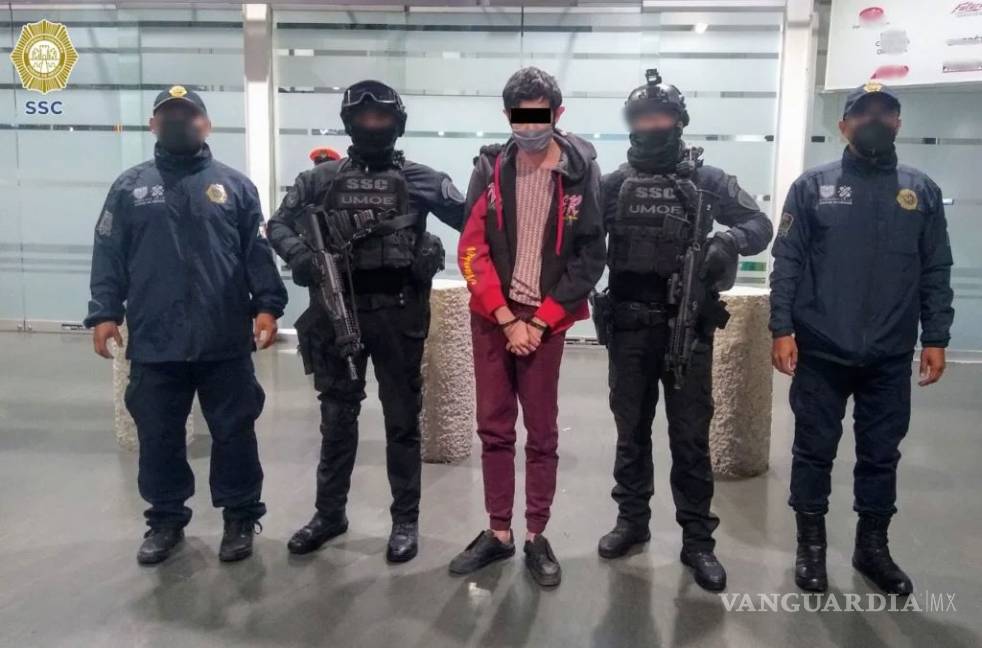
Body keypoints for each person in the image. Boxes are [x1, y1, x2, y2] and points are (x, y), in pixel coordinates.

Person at [85, 85, 288, 565]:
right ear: (153, 125)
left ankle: (240, 517)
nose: (180, 122)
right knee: (158, 435)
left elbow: (256, 253)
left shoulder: (235, 187)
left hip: (223, 339)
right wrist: (105, 311)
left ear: (207, 125)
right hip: (156, 340)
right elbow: (108, 253)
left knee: (234, 432)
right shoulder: (130, 188)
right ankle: (165, 520)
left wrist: (268, 305)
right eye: (169, 115)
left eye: (189, 114)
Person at [267, 80, 466, 563]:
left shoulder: (422, 179)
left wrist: (495, 180)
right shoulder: (320, 180)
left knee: (402, 421)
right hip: (338, 315)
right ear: (349, 122)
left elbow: (474, 220)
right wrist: (301, 256)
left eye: (381, 117)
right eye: (364, 117)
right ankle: (329, 514)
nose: (372, 125)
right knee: (337, 418)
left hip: (399, 313)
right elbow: (277, 224)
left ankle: (405, 522)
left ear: (397, 123)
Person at [770, 81, 954, 595]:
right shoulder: (813, 187)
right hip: (821, 350)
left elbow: (935, 268)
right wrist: (781, 327)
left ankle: (872, 548)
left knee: (880, 455)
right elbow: (787, 262)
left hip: (889, 355)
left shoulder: (921, 191)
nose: (874, 121)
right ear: (843, 125)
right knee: (813, 452)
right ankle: (811, 548)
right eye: (862, 113)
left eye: (884, 113)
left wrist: (936, 336)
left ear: (898, 123)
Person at [593, 70, 773, 592]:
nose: (652, 124)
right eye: (643, 116)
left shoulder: (706, 180)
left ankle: (698, 540)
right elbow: (581, 240)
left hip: (688, 327)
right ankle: (632, 522)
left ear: (678, 120)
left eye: (662, 115)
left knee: (690, 437)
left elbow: (760, 225)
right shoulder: (613, 184)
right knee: (631, 432)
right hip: (629, 326)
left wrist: (728, 242)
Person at [448, 67, 605, 588]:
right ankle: (499, 531)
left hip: (545, 324)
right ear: (507, 115)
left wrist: (538, 321)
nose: (530, 126)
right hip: (494, 319)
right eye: (520, 116)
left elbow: (590, 255)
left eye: (540, 116)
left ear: (558, 114)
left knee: (541, 433)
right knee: (494, 429)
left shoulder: (581, 172)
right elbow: (471, 248)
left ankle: (537, 534)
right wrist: (503, 317)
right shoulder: (491, 167)